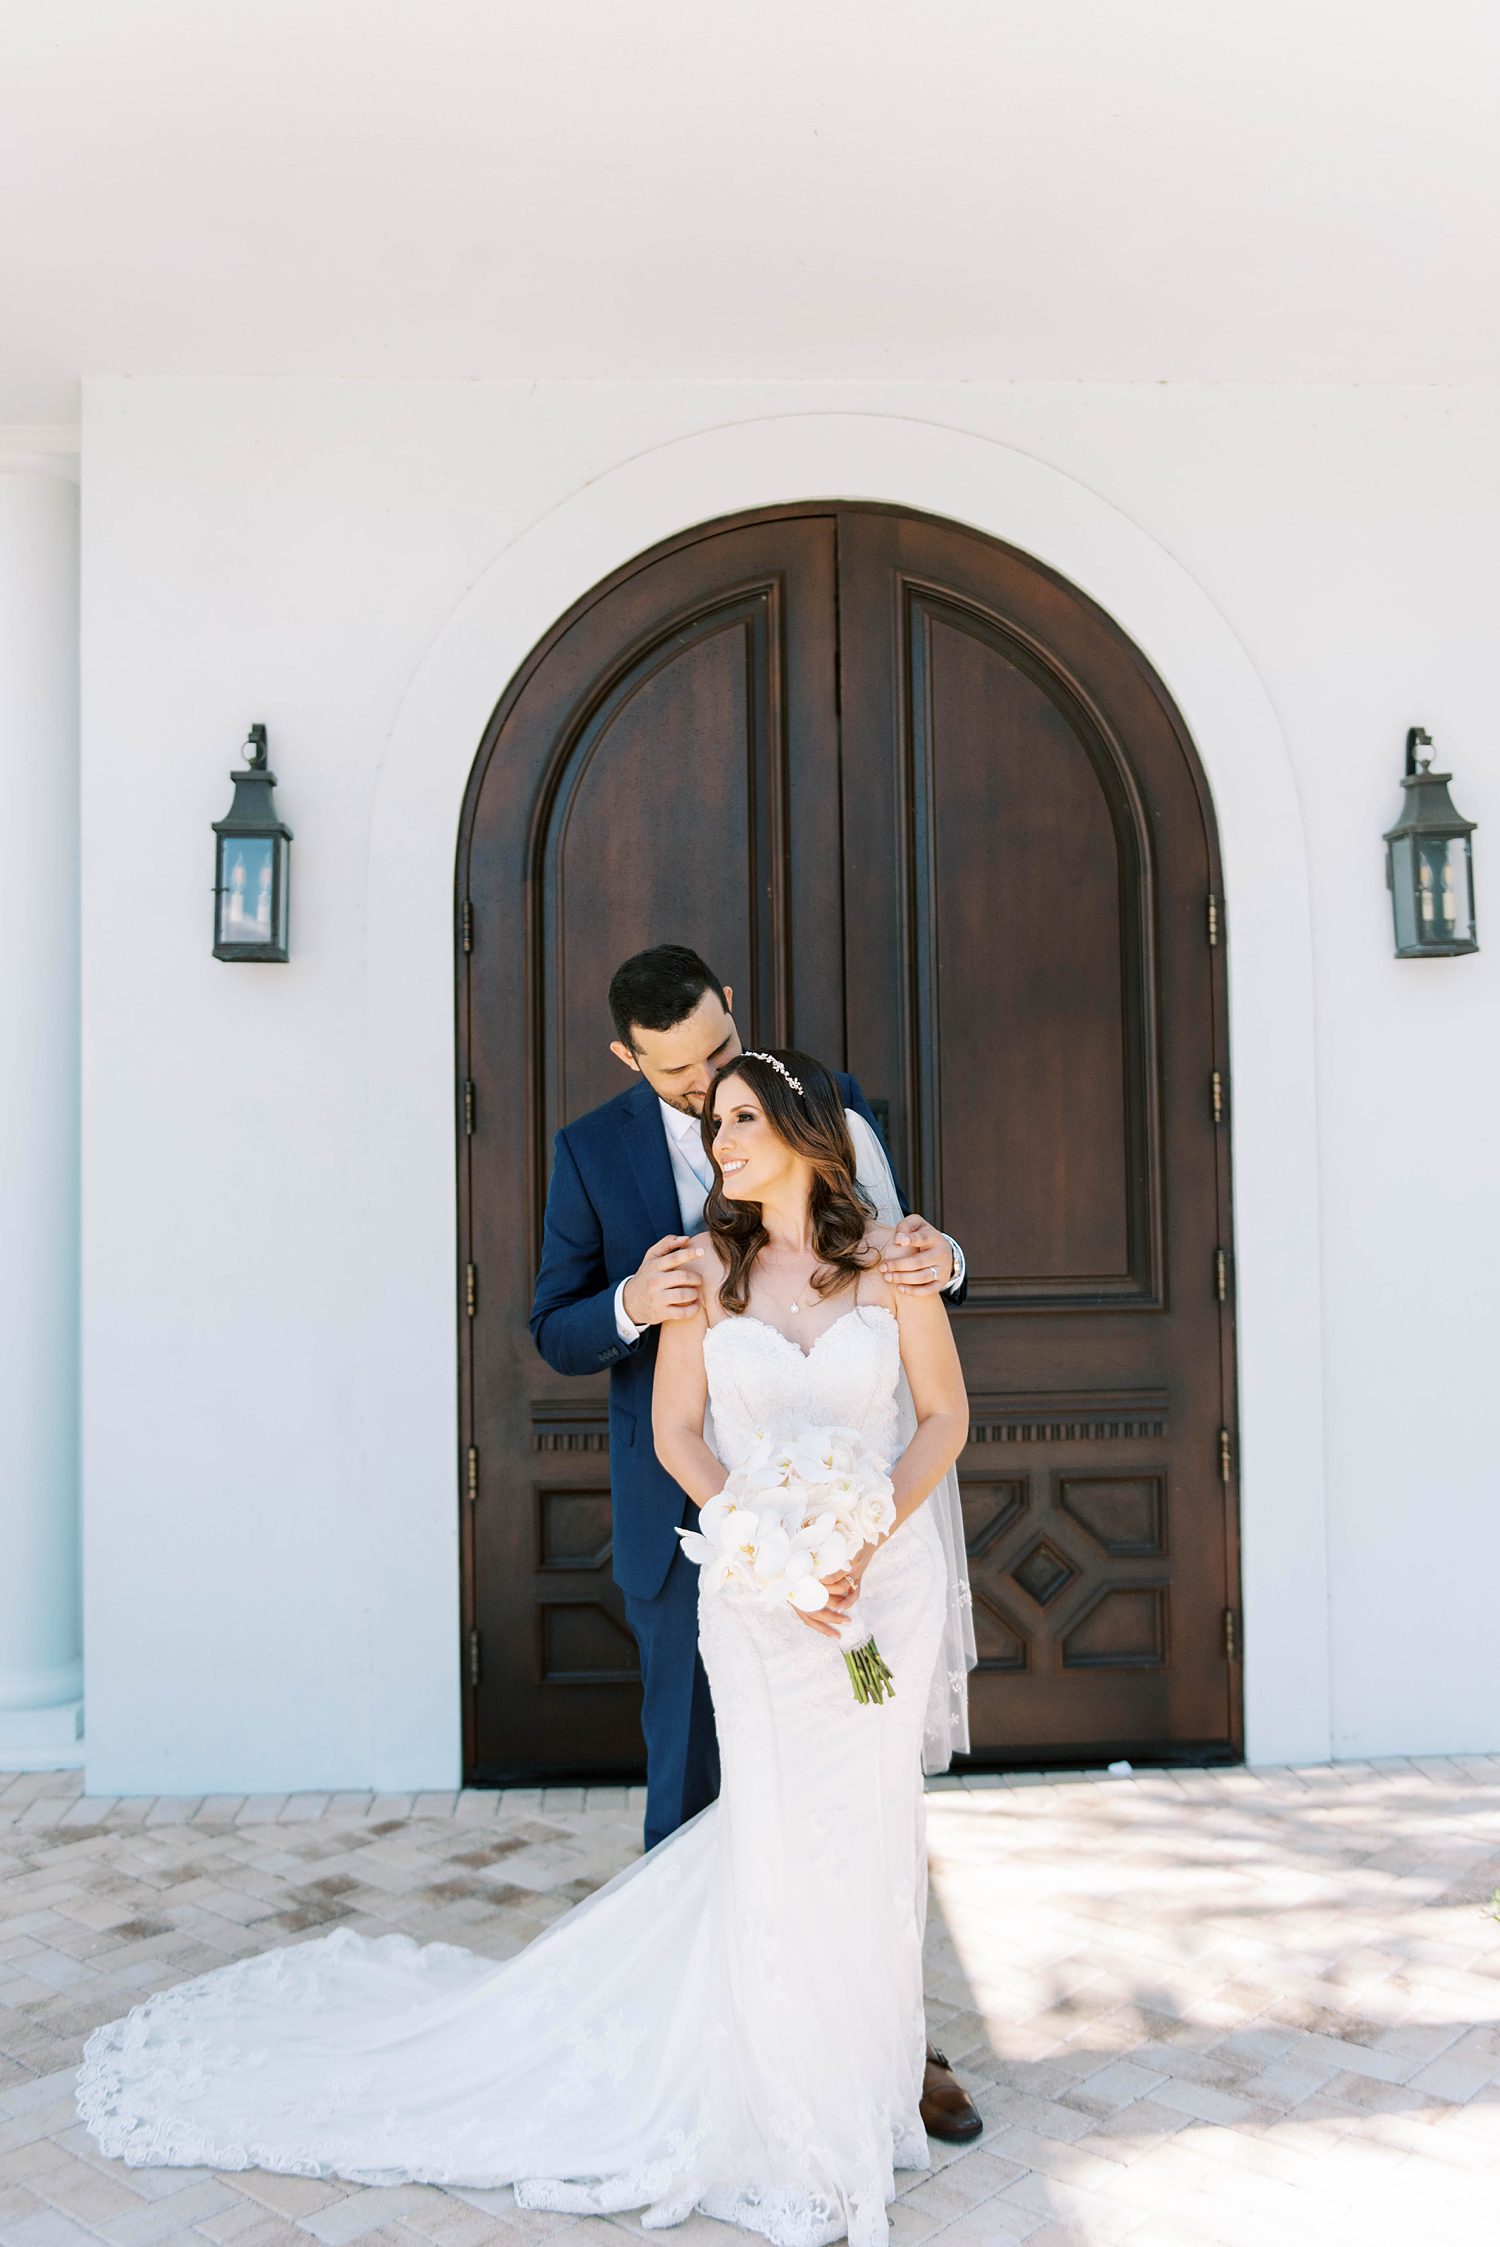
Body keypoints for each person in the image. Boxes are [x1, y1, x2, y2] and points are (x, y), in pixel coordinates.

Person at [76, 1051, 974, 2247]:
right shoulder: (701, 1273)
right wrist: (768, 1543)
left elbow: (945, 1417)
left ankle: (869, 2088)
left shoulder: (892, 1267)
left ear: (812, 1131)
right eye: (714, 1125)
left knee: (869, 1827)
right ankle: (783, 2111)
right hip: (760, 1597)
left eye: (743, 1119)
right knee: (774, 1833)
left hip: (882, 1592)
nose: (720, 1143)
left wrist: (858, 1546)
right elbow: (677, 1435)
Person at [530, 945, 966, 1855]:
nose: (706, 1085)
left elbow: (893, 1249)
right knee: (689, 1793)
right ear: (631, 1060)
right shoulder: (589, 1152)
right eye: (679, 1071)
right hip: (690, 1512)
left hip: (867, 1534)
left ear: (731, 1006)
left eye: (717, 1048)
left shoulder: (819, 1097)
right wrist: (633, 1304)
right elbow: (553, 1327)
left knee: (849, 1804)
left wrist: (947, 1260)